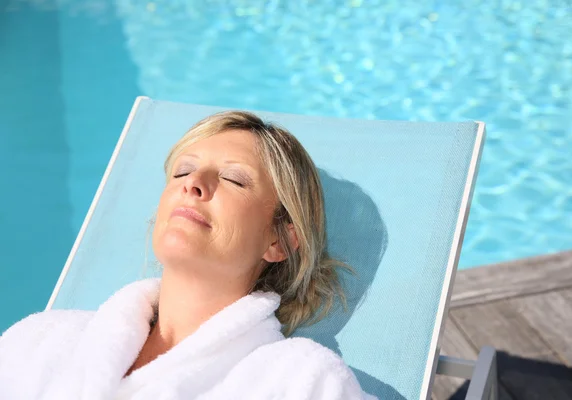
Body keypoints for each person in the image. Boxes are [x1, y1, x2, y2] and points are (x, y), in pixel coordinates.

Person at [0, 111, 376, 399]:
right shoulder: (40, 340)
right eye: (183, 171)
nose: (192, 184)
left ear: (279, 240)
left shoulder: (297, 381)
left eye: (234, 178)